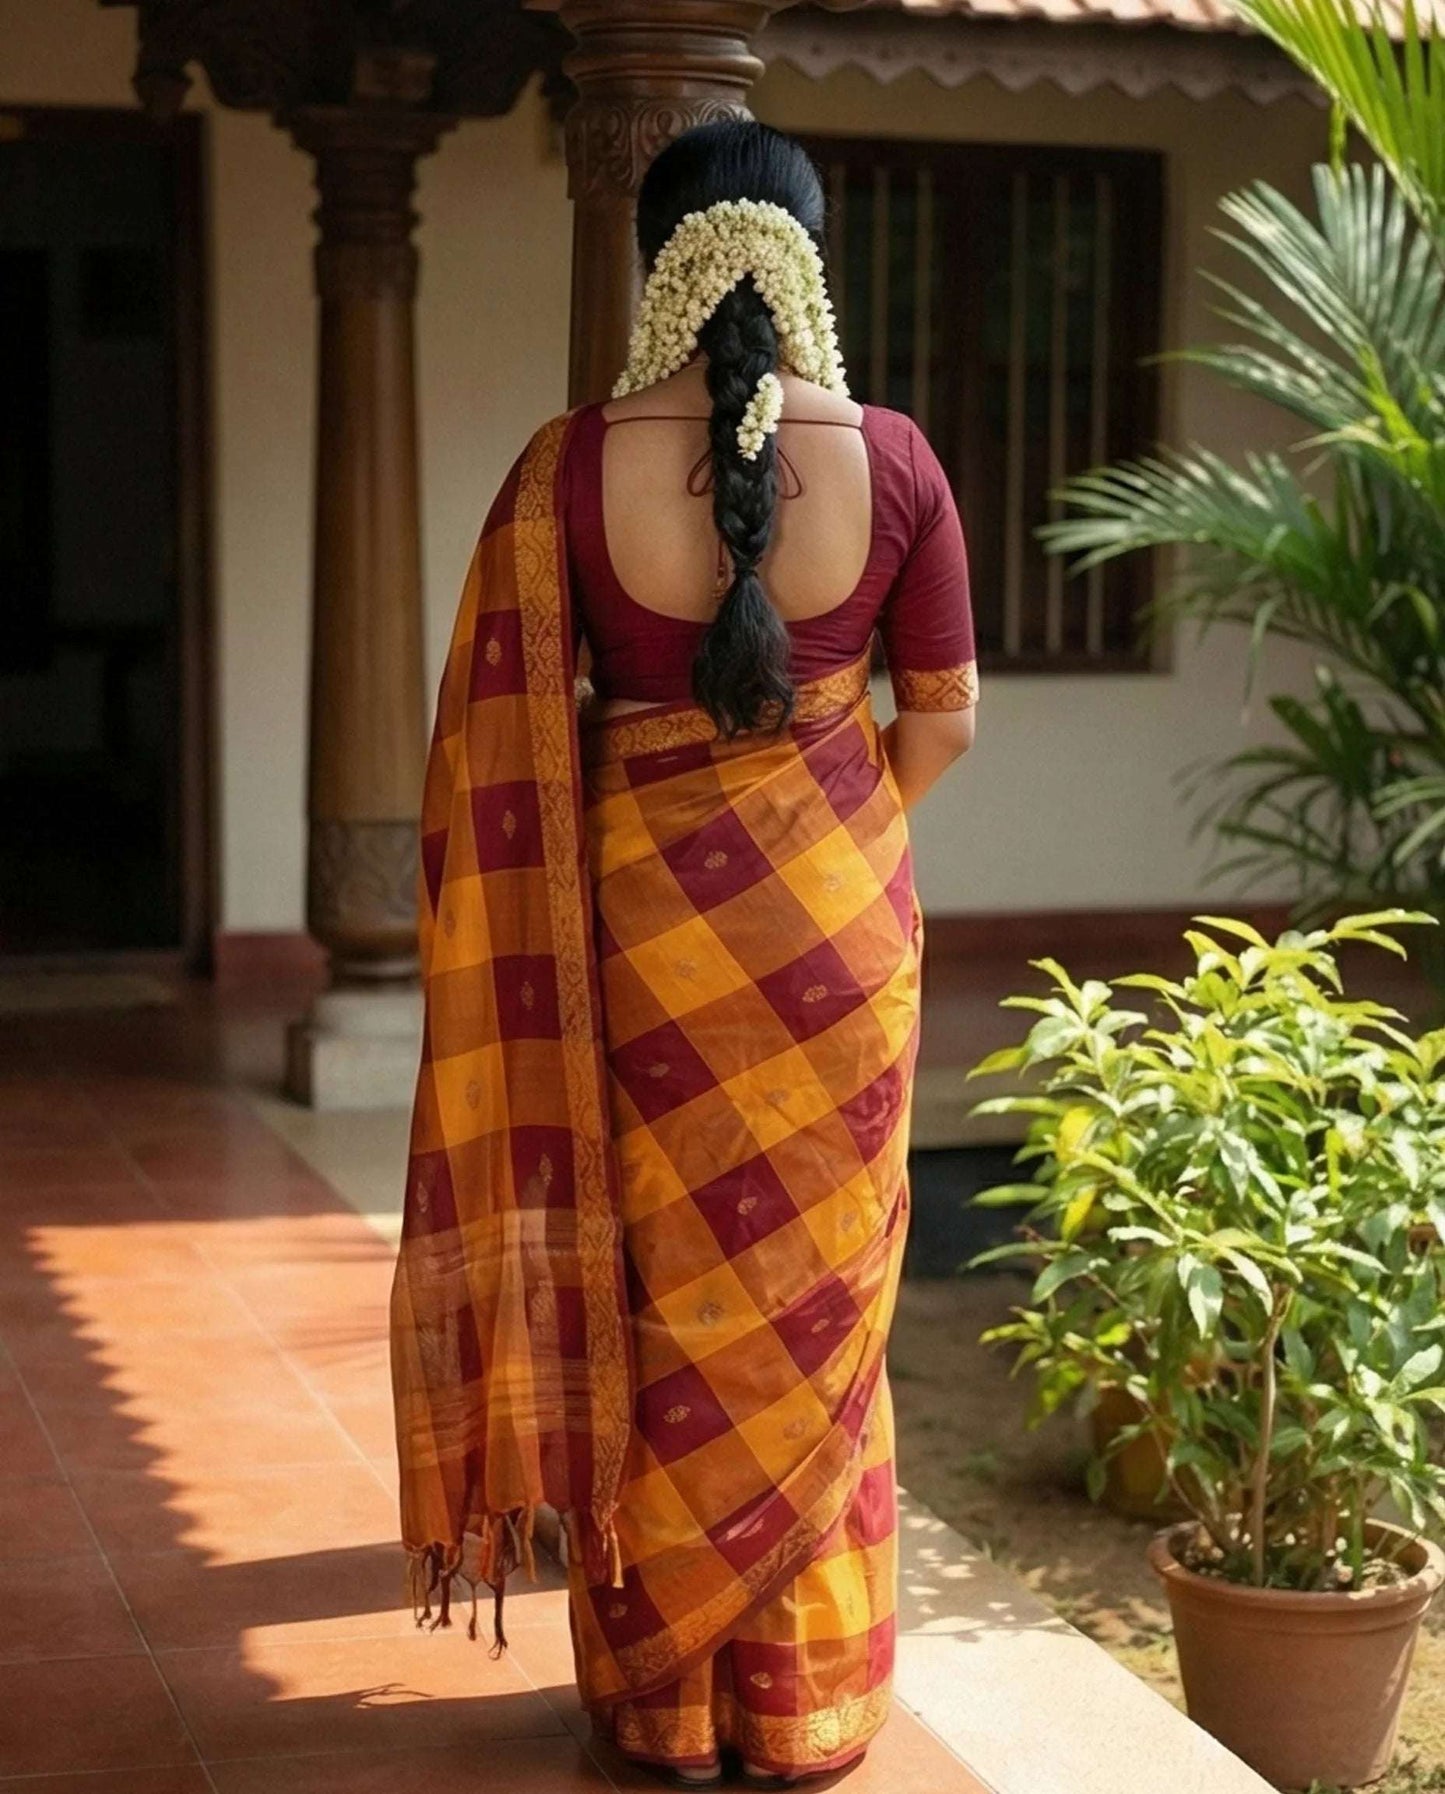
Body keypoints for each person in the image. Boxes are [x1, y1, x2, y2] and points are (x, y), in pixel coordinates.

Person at [390, 119, 977, 1790]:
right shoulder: (899, 458)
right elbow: (944, 718)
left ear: (662, 258)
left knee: (665, 1298)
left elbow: (502, 737)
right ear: (804, 256)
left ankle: (659, 1700)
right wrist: (834, 818)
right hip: (841, 929)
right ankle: (792, 1704)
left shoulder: (565, 466)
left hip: (639, 927)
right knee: (816, 1310)